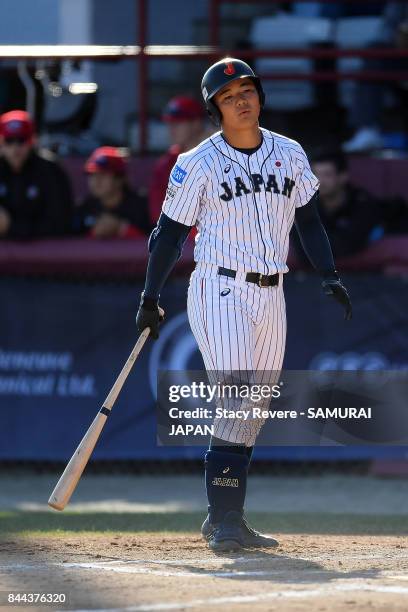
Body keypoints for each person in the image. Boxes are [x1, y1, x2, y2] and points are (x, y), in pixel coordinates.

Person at [136, 58, 352, 552]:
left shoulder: (289, 152)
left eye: (247, 89)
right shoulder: (196, 162)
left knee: (253, 407)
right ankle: (225, 519)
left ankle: (227, 518)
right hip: (220, 288)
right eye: (229, 95)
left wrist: (329, 274)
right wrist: (150, 296)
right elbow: (167, 236)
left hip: (272, 290)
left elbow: (310, 221)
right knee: (236, 396)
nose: (242, 99)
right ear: (215, 108)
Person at [0, 110, 73, 240]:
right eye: (9, 141)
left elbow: (60, 224)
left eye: (21, 140)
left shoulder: (50, 172)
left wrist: (11, 226)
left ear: (32, 141)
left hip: (46, 257)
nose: (15, 148)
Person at [308, 148, 383, 257]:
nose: (319, 181)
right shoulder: (304, 204)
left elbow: (348, 246)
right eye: (315, 174)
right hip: (312, 272)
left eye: (327, 175)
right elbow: (302, 251)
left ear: (343, 176)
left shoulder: (362, 204)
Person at [148, 96, 208, 226]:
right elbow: (157, 213)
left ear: (196, 123)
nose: (171, 129)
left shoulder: (222, 154)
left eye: (178, 123)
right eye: (169, 123)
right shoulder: (166, 164)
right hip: (181, 240)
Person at [73, 146, 151, 239]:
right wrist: (94, 233)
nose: (96, 181)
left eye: (103, 175)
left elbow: (156, 244)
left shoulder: (142, 206)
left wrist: (122, 228)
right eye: (92, 175)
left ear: (119, 179)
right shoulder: (84, 208)